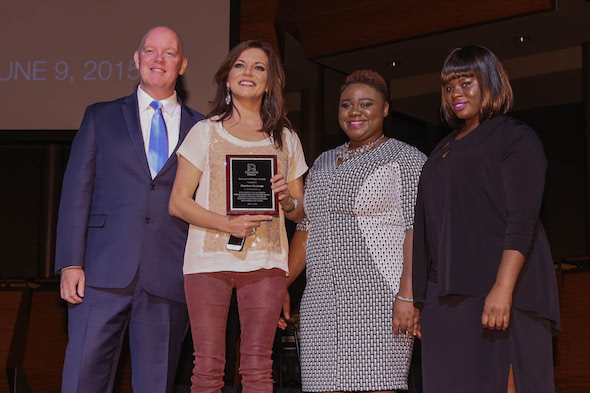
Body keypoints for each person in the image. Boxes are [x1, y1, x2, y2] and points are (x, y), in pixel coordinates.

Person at [55, 26, 205, 393]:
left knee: (156, 385)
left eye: (169, 53)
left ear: (182, 65)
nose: (158, 59)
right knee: (82, 381)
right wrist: (70, 263)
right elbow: (76, 192)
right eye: (150, 51)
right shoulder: (99, 117)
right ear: (136, 59)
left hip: (169, 276)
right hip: (100, 274)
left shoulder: (203, 128)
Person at [412, 45, 561, 393]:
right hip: (447, 297)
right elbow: (427, 228)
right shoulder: (443, 148)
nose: (456, 94)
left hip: (503, 291)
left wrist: (503, 288)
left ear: (491, 82)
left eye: (467, 82)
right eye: (449, 87)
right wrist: (421, 299)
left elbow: (523, 218)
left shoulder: (514, 136)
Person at [168, 40, 308, 393]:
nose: (248, 73)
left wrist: (286, 200)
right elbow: (178, 203)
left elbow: (301, 213)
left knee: (259, 367)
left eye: (259, 67)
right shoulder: (204, 131)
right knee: (208, 368)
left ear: (270, 80)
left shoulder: (286, 139)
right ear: (227, 79)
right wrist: (226, 224)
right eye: (240, 65)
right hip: (207, 261)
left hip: (266, 262)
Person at [280, 70, 426, 392]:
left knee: (377, 385)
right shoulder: (323, 162)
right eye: (346, 104)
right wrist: (281, 283)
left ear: (385, 109)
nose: (354, 111)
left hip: (379, 299)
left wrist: (408, 296)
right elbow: (308, 225)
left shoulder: (407, 158)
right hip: (320, 300)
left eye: (366, 104)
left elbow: (418, 229)